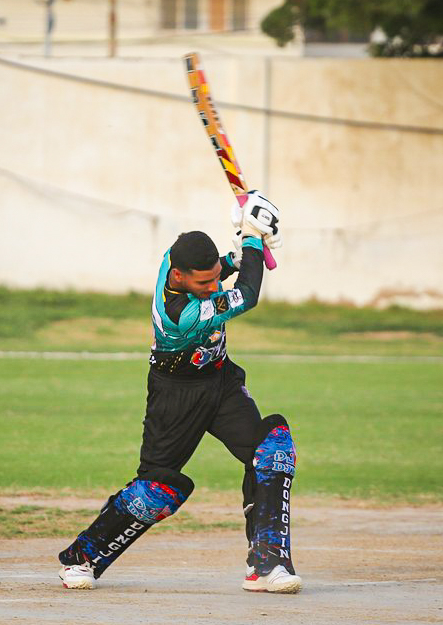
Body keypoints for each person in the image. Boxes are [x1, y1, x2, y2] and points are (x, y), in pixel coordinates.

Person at [57, 191, 301, 594]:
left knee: (273, 450)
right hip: (175, 395)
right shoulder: (182, 314)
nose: (212, 286)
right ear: (177, 278)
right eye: (204, 283)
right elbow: (248, 295)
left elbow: (217, 269)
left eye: (214, 278)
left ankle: (267, 563)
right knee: (157, 490)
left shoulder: (176, 258)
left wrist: (239, 247)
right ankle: (82, 558)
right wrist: (252, 241)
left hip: (221, 383)